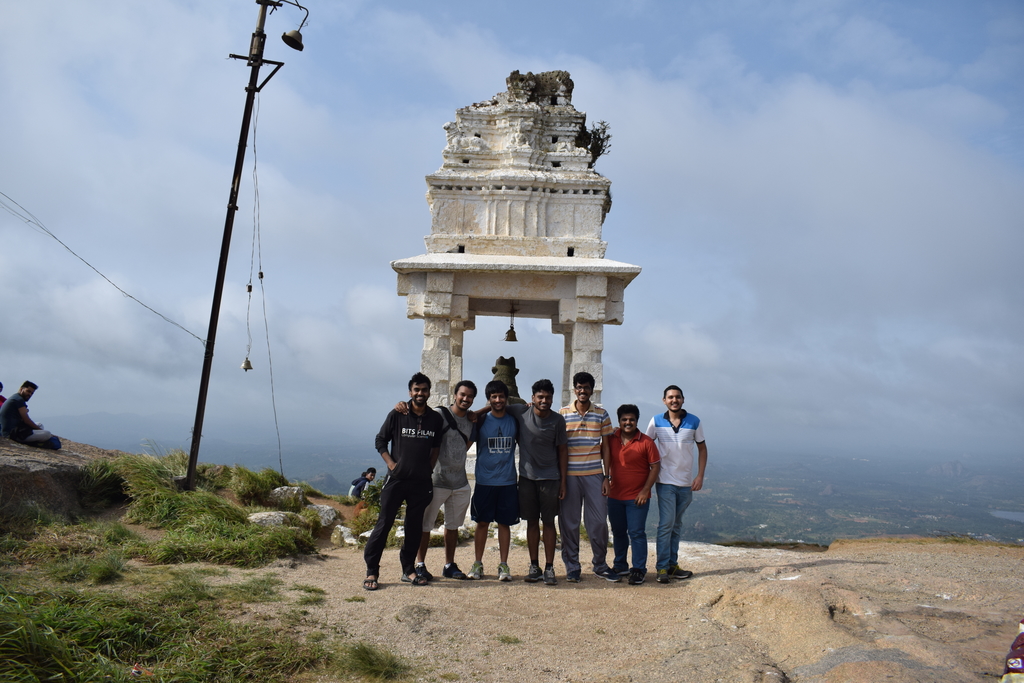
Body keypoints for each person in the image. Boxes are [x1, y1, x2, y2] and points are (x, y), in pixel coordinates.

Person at [363, 373, 443, 591]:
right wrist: (390, 464)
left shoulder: (435, 419)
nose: (420, 393)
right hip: (396, 481)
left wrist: (429, 467)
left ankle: (408, 570)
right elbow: (380, 440)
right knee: (384, 523)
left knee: (414, 526)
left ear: (429, 392)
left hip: (420, 482)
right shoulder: (398, 413)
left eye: (424, 390)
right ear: (410, 392)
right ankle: (372, 570)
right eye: (416, 390)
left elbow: (436, 447)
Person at [396, 380, 478, 581]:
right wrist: (403, 404)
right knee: (425, 525)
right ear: (455, 394)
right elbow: (418, 414)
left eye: (469, 396)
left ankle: (449, 564)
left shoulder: (472, 420)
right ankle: (420, 564)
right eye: (462, 395)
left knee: (453, 526)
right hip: (436, 479)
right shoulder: (439, 415)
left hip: (459, 482)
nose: (465, 399)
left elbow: (466, 444)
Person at [506, 379, 568, 586]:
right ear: (532, 398)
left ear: (552, 399)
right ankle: (534, 566)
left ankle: (549, 567)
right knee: (531, 522)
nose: (544, 400)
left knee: (549, 523)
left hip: (551, 478)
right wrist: (475, 413)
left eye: (547, 397)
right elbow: (498, 404)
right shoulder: (521, 412)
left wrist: (563, 481)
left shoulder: (558, 421)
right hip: (527, 478)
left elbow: (562, 451)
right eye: (540, 397)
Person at [558, 371, 616, 583]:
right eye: (579, 387)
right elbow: (559, 447)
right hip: (570, 476)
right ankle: (572, 566)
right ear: (574, 389)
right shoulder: (562, 413)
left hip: (594, 475)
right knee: (569, 524)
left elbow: (607, 448)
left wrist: (606, 477)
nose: (583, 391)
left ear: (592, 389)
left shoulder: (601, 413)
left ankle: (600, 564)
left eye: (587, 387)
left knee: (599, 522)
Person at [646, 385, 707, 584]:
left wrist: (699, 476)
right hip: (664, 481)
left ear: (683, 399)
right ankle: (662, 568)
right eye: (670, 397)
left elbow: (702, 449)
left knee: (676, 525)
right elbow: (645, 446)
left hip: (686, 483)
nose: (674, 400)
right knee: (666, 524)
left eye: (677, 397)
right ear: (664, 400)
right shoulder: (655, 421)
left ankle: (672, 565)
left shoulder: (694, 421)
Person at [468, 380, 519, 581]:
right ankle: (478, 563)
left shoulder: (514, 420)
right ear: (489, 399)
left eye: (501, 396)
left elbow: (523, 409)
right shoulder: (480, 421)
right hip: (484, 480)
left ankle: (503, 565)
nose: (498, 400)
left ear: (506, 398)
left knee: (504, 524)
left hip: (507, 481)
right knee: (482, 523)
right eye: (493, 397)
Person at [608, 404, 661, 586]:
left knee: (637, 533)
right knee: (618, 532)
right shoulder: (611, 438)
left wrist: (645, 491)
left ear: (637, 421)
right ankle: (620, 564)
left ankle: (638, 569)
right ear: (619, 421)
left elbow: (655, 467)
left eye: (631, 419)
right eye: (624, 419)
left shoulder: (646, 442)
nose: (628, 422)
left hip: (637, 497)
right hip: (614, 495)